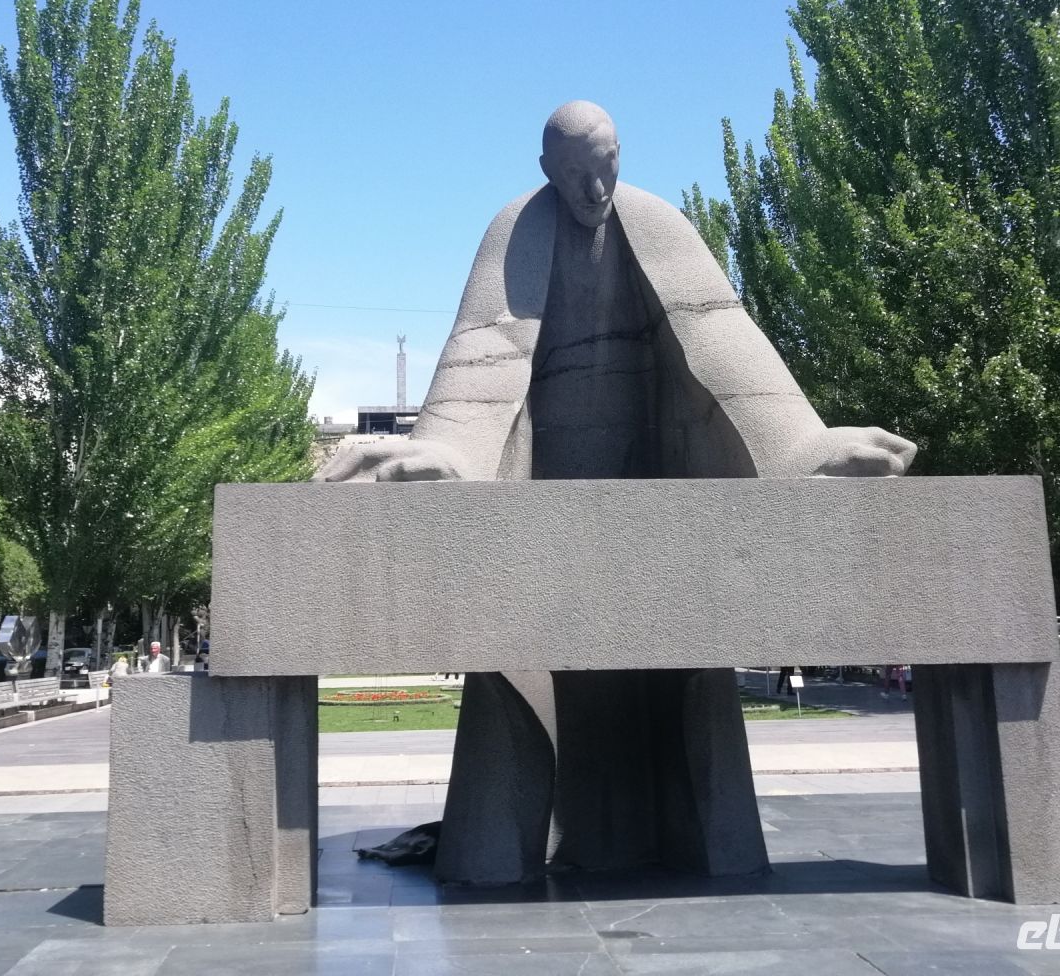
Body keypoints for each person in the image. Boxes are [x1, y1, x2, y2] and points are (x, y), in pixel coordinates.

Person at [319, 102, 917, 883]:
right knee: (519, 691)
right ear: (548, 173)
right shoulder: (516, 230)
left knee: (680, 681)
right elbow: (481, 358)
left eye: (606, 166)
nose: (595, 187)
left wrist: (803, 446)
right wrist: (446, 452)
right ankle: (505, 844)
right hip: (541, 514)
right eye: (576, 175)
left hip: (652, 498)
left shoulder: (657, 224)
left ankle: (685, 836)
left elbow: (724, 340)